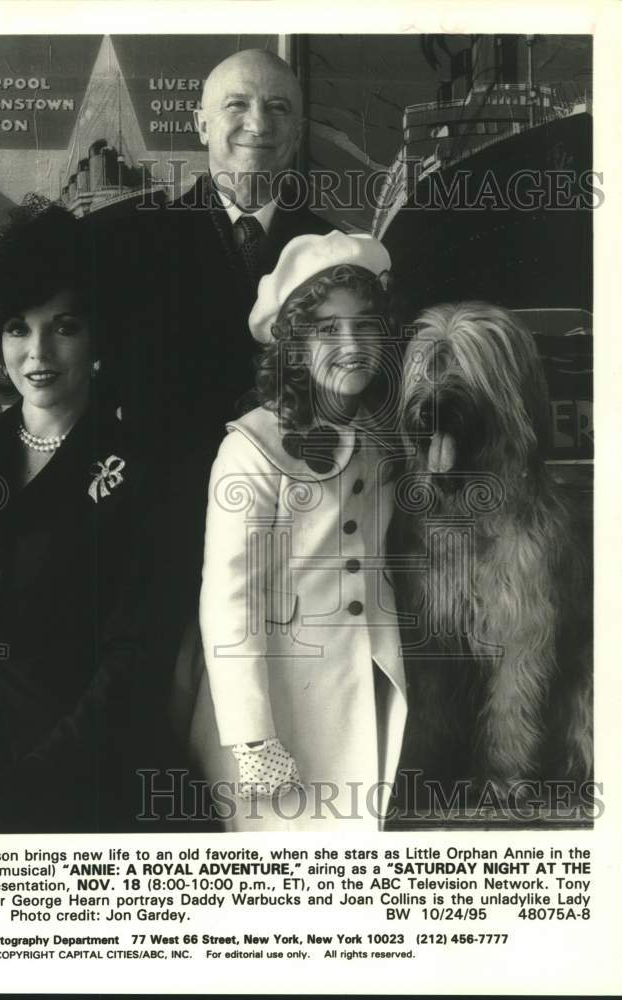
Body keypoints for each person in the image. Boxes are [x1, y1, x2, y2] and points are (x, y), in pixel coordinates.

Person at [0, 201, 172, 833]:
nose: (38, 351)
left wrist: (42, 773)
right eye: (18, 328)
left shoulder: (139, 468)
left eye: (63, 326)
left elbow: (135, 654)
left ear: (97, 335)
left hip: (78, 768)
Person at [88, 50, 332, 671]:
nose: (259, 121)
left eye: (279, 107)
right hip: (155, 540)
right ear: (200, 125)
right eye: (238, 104)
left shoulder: (334, 254)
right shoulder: (128, 242)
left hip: (293, 545)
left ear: (298, 131)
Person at [183, 230, 408, 830]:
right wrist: (252, 738)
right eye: (327, 330)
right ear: (293, 346)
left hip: (361, 691)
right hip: (276, 713)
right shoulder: (251, 450)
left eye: (364, 325)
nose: (352, 344)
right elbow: (229, 602)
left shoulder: (384, 440)